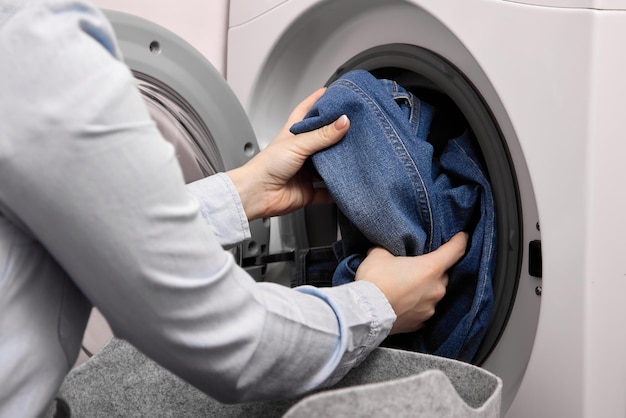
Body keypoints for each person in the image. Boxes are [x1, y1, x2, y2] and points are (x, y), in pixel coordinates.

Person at [0, 1, 468, 416]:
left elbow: (89, 222)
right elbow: (233, 342)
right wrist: (378, 303)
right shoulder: (35, 48)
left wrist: (244, 190)